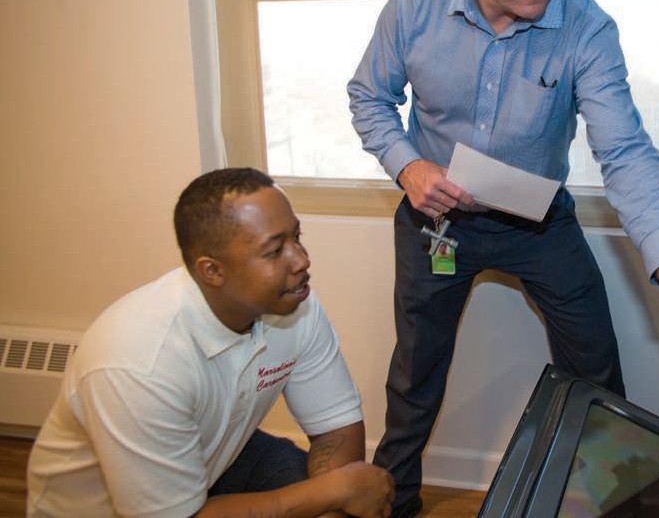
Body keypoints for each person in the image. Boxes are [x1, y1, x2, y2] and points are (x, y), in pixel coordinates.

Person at [346, 0, 659, 515]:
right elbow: (369, 95)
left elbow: (623, 150)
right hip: (437, 223)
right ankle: (393, 504)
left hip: (540, 225)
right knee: (414, 375)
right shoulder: (416, 4)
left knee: (595, 371)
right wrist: (407, 165)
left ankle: (626, 509)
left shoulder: (584, 25)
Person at [26, 168, 394, 518]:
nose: (301, 260)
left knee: (322, 484)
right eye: (274, 250)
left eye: (296, 237)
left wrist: (333, 505)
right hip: (108, 508)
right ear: (212, 270)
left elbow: (336, 426)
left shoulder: (295, 304)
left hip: (213, 459)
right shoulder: (138, 361)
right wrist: (334, 492)